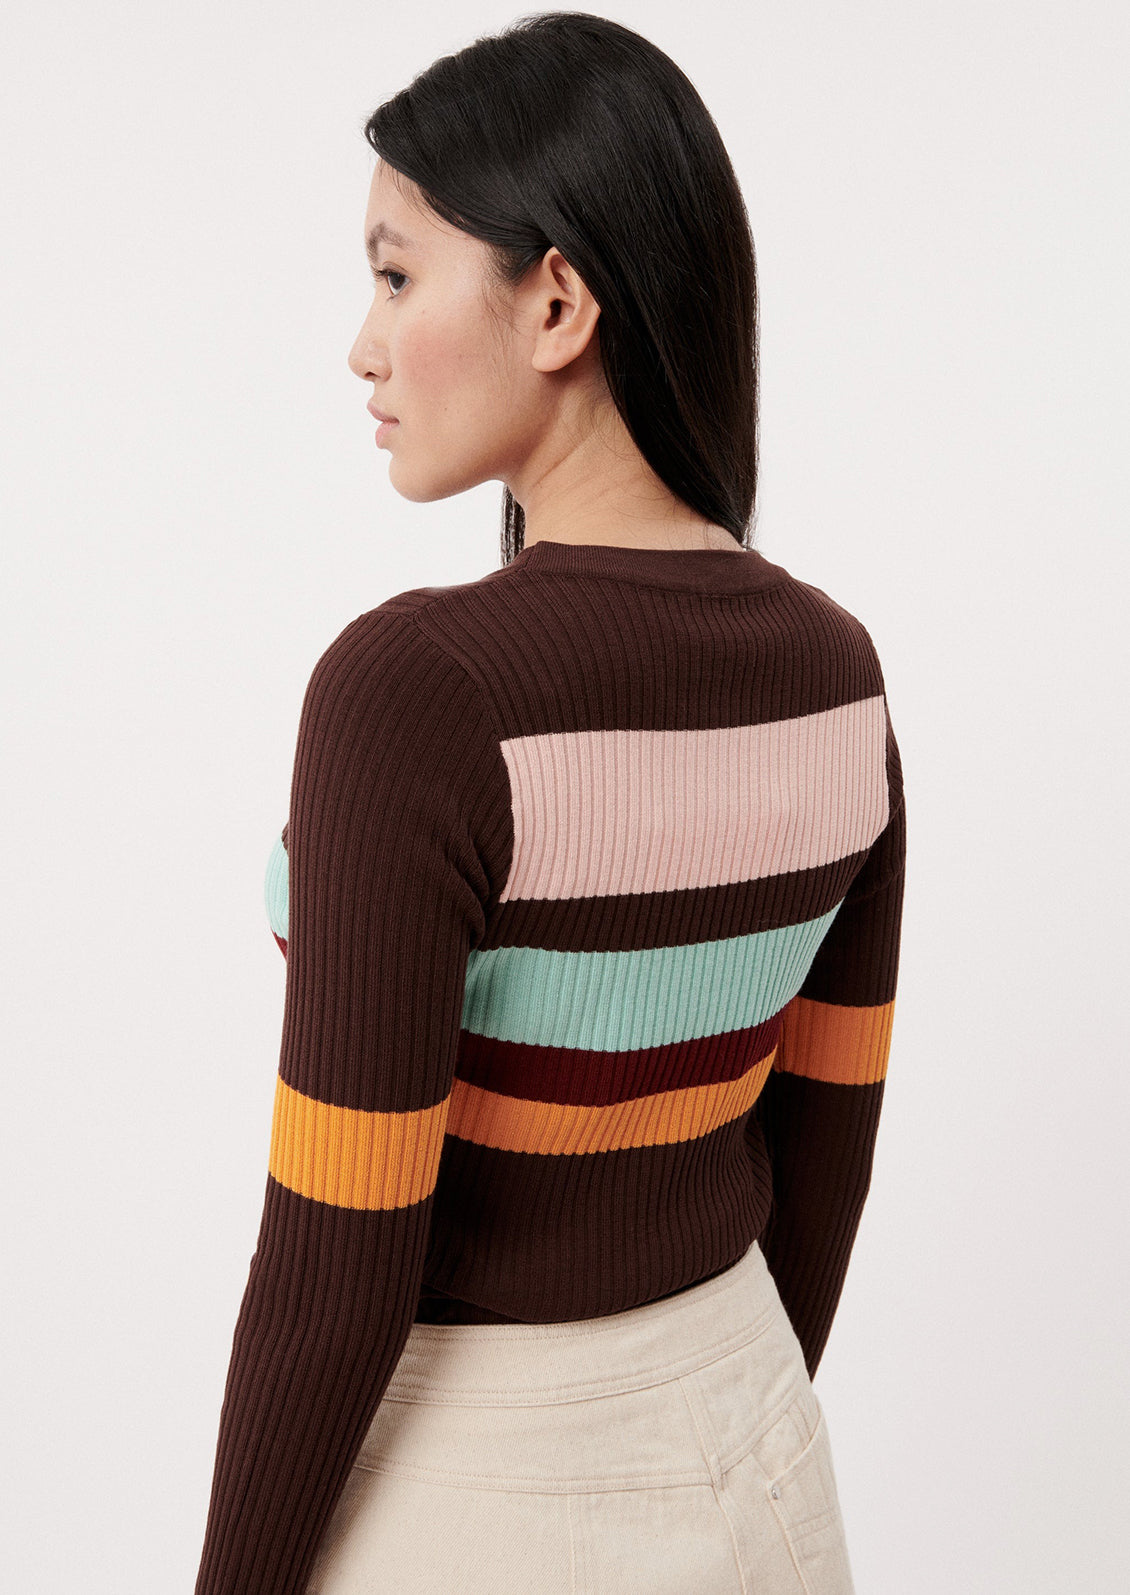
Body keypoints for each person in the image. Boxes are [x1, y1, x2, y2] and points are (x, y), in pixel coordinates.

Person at [194, 13, 906, 1593]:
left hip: (481, 1493)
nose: (362, 345)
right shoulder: (838, 677)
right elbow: (824, 1157)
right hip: (759, 1459)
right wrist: (704, 1417)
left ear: (558, 303)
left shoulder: (416, 693)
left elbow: (336, 1261)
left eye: (395, 277)